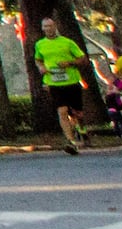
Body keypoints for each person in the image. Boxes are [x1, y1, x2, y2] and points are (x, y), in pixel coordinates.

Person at [27, 18, 92, 152]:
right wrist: (41, 68)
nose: (48, 28)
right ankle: (71, 141)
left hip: (71, 81)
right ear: (43, 28)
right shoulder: (40, 44)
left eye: (50, 26)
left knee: (77, 113)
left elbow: (82, 59)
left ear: (55, 26)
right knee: (62, 111)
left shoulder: (67, 42)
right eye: (45, 26)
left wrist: (69, 63)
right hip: (54, 82)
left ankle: (82, 129)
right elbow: (38, 60)